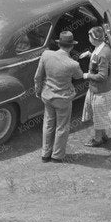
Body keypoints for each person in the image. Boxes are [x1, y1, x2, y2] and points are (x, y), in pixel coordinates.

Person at [34, 30, 85, 162]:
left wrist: (38, 90)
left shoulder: (46, 55)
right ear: (72, 46)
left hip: (47, 95)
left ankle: (45, 154)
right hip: (63, 99)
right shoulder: (73, 64)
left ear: (59, 44)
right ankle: (57, 155)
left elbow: (38, 76)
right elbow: (79, 76)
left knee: (48, 124)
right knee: (62, 127)